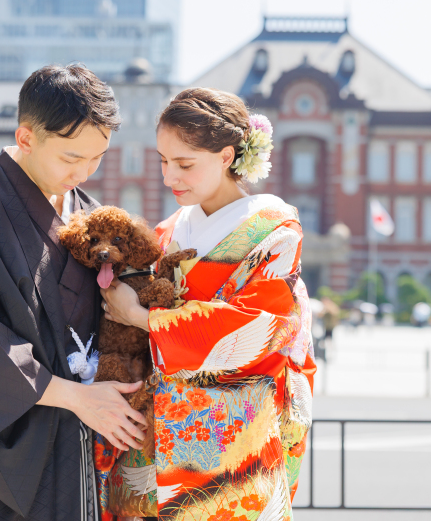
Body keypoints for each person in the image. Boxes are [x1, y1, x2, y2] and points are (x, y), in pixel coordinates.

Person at [0, 64, 147, 521]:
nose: (84, 172)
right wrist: (75, 397)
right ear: (25, 137)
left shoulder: (91, 219)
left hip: (82, 439)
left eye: (96, 158)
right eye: (70, 158)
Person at [101, 88, 316, 521]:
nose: (170, 177)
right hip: (152, 436)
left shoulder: (273, 232)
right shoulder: (168, 231)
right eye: (163, 161)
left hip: (229, 440)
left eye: (185, 164)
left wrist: (140, 317)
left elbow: (254, 326)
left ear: (226, 156)